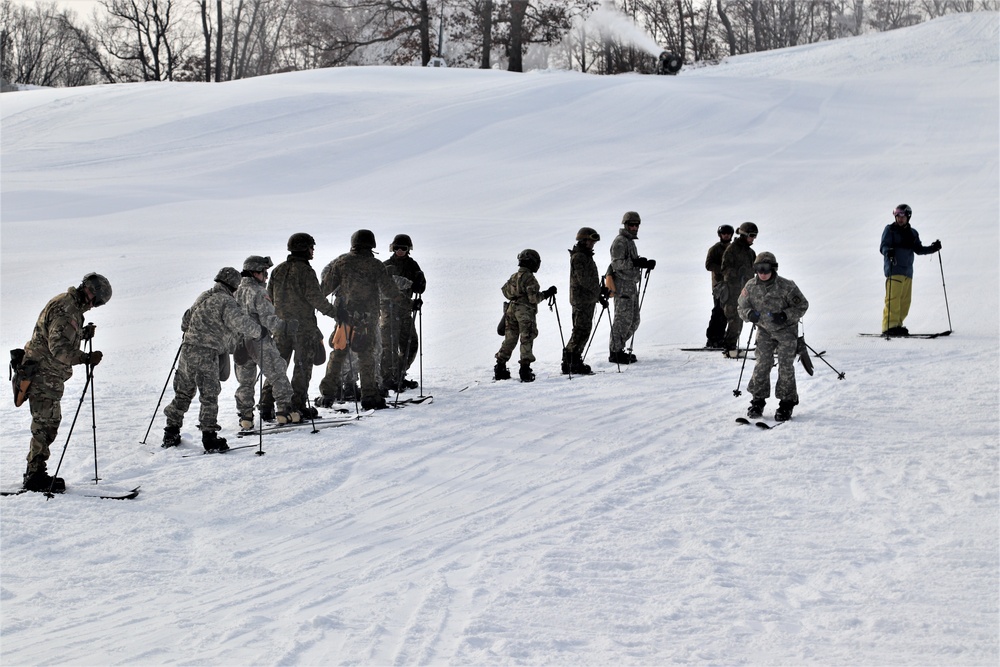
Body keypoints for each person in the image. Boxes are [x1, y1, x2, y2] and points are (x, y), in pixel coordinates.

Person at [16, 273, 111, 491]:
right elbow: (58, 349)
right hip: (43, 375)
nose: (95, 306)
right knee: (45, 424)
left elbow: (59, 336)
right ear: (90, 292)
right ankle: (34, 476)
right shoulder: (66, 309)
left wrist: (82, 334)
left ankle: (36, 470)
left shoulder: (72, 308)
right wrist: (85, 358)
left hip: (49, 375)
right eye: (97, 301)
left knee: (49, 422)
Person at [163, 268, 264, 452]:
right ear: (234, 284)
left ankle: (171, 432)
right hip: (207, 354)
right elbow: (240, 322)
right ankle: (209, 438)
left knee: (183, 392)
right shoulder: (226, 301)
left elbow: (185, 322)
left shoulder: (204, 296)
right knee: (209, 396)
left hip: (187, 350)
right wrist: (259, 331)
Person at [317, 229, 409, 410]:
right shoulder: (376, 265)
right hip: (368, 319)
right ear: (371, 245)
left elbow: (324, 289)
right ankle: (369, 396)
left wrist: (327, 309)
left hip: (345, 318)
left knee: (338, 354)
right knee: (367, 357)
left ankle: (328, 395)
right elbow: (390, 291)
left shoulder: (341, 262)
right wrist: (409, 303)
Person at [263, 233, 338, 420]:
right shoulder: (306, 271)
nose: (313, 251)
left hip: (280, 327)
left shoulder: (278, 270)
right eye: (311, 247)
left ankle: (266, 403)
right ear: (305, 249)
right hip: (303, 328)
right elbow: (317, 299)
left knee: (278, 366)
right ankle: (296, 406)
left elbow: (269, 297)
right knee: (302, 367)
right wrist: (336, 313)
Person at [737, 252, 809, 422]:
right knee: (762, 364)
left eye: (766, 269)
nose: (762, 273)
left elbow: (803, 306)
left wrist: (785, 315)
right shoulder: (750, 286)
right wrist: (749, 314)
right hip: (764, 331)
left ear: (774, 269)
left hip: (786, 332)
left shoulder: (787, 286)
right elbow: (741, 307)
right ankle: (757, 400)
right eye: (759, 269)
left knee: (785, 366)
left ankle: (787, 402)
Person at [234, 255, 301, 429]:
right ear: (255, 272)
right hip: (259, 341)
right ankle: (284, 411)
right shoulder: (259, 292)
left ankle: (246, 416)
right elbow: (269, 320)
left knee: (245, 381)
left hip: (239, 343)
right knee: (278, 373)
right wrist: (286, 326)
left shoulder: (234, 291)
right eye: (264, 272)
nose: (266, 276)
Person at [494, 249, 557, 382]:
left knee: (510, 338)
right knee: (526, 338)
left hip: (511, 309)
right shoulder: (529, 278)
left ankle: (500, 367)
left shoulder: (514, 276)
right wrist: (546, 293)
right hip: (525, 311)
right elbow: (534, 298)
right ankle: (525, 370)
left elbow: (505, 292)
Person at [879, 203, 941, 336]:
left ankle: (898, 325)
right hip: (894, 269)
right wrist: (888, 251)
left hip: (908, 272)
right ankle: (889, 326)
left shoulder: (912, 233)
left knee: (905, 301)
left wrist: (933, 248)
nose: (899, 218)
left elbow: (918, 249)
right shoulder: (890, 230)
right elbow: (883, 246)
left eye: (902, 215)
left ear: (908, 217)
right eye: (897, 215)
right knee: (893, 299)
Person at [379, 234, 426, 393]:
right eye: (397, 248)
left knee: (411, 343)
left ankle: (399, 373)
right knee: (388, 345)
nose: (400, 251)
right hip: (388, 310)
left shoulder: (412, 265)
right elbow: (380, 287)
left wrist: (420, 283)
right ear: (392, 248)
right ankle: (387, 378)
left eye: (403, 248)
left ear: (408, 250)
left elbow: (421, 287)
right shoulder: (385, 265)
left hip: (406, 310)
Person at [608, 211, 655, 364]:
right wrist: (635, 263)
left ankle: (619, 348)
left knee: (634, 320)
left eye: (636, 225)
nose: (634, 227)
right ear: (625, 225)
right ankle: (615, 352)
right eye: (631, 225)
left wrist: (643, 264)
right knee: (622, 319)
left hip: (630, 285)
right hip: (622, 286)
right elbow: (617, 264)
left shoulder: (629, 241)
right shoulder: (620, 241)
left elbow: (630, 262)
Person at [564, 227, 606, 375]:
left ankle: (573, 359)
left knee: (583, 330)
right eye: (590, 241)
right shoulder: (579, 257)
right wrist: (600, 291)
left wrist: (599, 295)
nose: (592, 244)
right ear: (583, 240)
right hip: (581, 300)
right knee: (580, 330)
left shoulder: (585, 256)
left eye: (593, 242)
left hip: (587, 299)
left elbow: (589, 281)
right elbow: (584, 280)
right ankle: (571, 361)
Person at [720, 221, 758, 357]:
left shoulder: (750, 252)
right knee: (735, 318)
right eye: (751, 235)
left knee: (751, 315)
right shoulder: (732, 249)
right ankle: (729, 347)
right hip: (733, 290)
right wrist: (737, 273)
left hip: (747, 290)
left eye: (755, 236)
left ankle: (765, 343)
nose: (753, 239)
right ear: (743, 234)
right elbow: (724, 269)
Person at [705, 224, 734, 348]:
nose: (726, 235)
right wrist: (723, 270)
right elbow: (708, 265)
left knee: (729, 312)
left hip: (732, 285)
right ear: (720, 235)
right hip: (719, 286)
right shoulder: (715, 249)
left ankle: (722, 338)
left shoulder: (734, 249)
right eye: (724, 233)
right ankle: (713, 338)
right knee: (718, 310)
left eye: (728, 233)